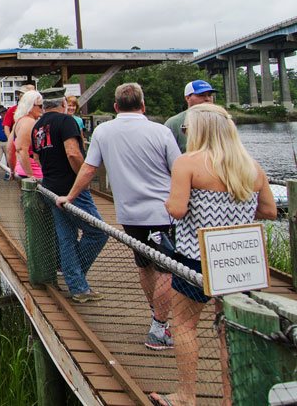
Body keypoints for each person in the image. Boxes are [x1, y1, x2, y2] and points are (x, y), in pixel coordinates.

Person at [150, 103, 276, 406]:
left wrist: (170, 204)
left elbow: (178, 209)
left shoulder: (188, 163)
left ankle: (185, 395)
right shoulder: (251, 166)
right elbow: (269, 211)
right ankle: (232, 398)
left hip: (197, 256)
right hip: (240, 258)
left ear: (197, 129)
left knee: (183, 325)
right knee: (229, 328)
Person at [58, 83, 180, 350]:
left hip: (128, 213)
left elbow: (89, 169)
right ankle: (159, 328)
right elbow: (179, 170)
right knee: (165, 269)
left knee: (144, 265)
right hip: (161, 212)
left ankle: (155, 316)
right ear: (143, 105)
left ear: (115, 107)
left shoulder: (103, 131)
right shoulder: (161, 132)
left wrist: (70, 196)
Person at [33, 97, 107, 302]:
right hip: (70, 189)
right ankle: (75, 277)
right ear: (63, 104)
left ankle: (78, 287)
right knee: (98, 232)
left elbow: (37, 158)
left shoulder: (37, 126)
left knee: (66, 238)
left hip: (50, 187)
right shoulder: (66, 121)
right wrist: (81, 179)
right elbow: (73, 153)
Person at [164, 80, 216, 153]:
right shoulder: (174, 123)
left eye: (209, 95)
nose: (207, 99)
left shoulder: (223, 121)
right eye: (201, 95)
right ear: (187, 98)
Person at [3, 83, 37, 177]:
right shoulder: (13, 110)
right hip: (21, 148)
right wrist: (13, 139)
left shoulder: (38, 112)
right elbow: (6, 126)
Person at [13, 90, 45, 181]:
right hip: (34, 172)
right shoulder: (29, 122)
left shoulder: (19, 121)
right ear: (30, 106)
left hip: (21, 169)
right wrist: (30, 175)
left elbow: (10, 149)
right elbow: (22, 150)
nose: (42, 109)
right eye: (40, 106)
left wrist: (12, 170)